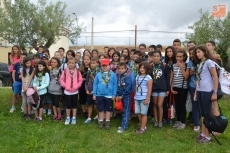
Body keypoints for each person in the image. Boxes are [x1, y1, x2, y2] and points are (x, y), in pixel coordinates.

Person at [193, 45, 218, 144]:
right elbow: (199, 79)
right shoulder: (200, 64)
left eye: (199, 52)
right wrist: (196, 91)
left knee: (207, 114)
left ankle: (208, 137)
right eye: (196, 52)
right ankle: (203, 134)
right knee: (202, 113)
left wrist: (215, 93)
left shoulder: (209, 62)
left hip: (207, 91)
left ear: (204, 52)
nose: (197, 54)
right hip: (200, 90)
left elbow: (215, 77)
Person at [93, 58, 117, 129]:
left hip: (109, 95)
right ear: (101, 66)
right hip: (99, 94)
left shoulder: (113, 75)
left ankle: (107, 122)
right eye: (103, 66)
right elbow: (95, 84)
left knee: (108, 109)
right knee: (100, 109)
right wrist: (94, 94)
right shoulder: (98, 74)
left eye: (106, 65)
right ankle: (100, 121)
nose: (105, 67)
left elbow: (115, 85)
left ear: (109, 65)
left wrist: (114, 94)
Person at [60, 57, 83, 125]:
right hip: (67, 91)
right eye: (69, 63)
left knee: (74, 105)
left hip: (75, 91)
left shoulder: (78, 72)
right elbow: (61, 80)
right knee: (68, 105)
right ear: (67, 63)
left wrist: (77, 86)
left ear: (75, 64)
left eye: (72, 63)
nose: (71, 64)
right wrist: (65, 86)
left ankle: (73, 117)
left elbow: (80, 80)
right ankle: (68, 117)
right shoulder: (65, 71)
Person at [171, 50, 189, 129]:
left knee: (182, 105)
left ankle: (183, 122)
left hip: (183, 88)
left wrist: (181, 67)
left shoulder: (186, 65)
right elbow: (172, 77)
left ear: (184, 57)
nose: (178, 58)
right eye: (177, 56)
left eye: (180, 57)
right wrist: (171, 87)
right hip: (175, 87)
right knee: (177, 105)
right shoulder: (173, 65)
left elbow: (186, 77)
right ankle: (178, 120)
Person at [151, 50, 170, 128]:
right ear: (152, 57)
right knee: (155, 104)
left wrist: (168, 89)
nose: (156, 57)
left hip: (162, 88)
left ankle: (160, 121)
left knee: (159, 105)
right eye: (154, 56)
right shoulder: (150, 66)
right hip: (154, 88)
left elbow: (167, 78)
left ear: (160, 57)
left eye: (157, 56)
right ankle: (156, 120)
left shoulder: (164, 66)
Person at [134, 61, 153, 134]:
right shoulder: (137, 76)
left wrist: (147, 98)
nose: (142, 69)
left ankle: (142, 128)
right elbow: (136, 86)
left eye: (143, 68)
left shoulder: (148, 78)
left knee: (143, 113)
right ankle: (143, 126)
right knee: (138, 112)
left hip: (144, 98)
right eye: (141, 68)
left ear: (147, 69)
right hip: (137, 97)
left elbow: (149, 89)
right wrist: (135, 96)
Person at [116, 63, 132, 133]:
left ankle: (124, 127)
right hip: (119, 96)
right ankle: (123, 124)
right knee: (122, 111)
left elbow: (128, 88)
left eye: (122, 68)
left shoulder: (127, 77)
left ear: (126, 69)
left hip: (126, 96)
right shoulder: (119, 76)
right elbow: (118, 86)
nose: (120, 70)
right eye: (119, 68)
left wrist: (122, 95)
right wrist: (117, 95)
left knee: (126, 111)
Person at [187, 47, 200, 132]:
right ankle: (196, 124)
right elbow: (187, 75)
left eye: (193, 53)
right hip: (192, 86)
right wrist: (190, 73)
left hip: (202, 87)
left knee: (202, 105)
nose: (191, 55)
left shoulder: (202, 62)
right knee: (195, 104)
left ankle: (204, 121)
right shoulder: (190, 63)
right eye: (190, 54)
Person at [163, 46, 176, 125]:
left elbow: (172, 75)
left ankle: (170, 118)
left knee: (172, 102)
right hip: (165, 83)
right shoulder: (165, 63)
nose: (169, 53)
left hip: (174, 83)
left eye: (170, 51)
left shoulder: (175, 62)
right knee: (165, 101)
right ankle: (164, 117)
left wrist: (171, 85)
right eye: (167, 52)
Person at [85, 57, 100, 123]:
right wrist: (86, 90)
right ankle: (89, 118)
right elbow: (86, 82)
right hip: (89, 92)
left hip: (96, 92)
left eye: (94, 63)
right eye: (91, 63)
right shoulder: (89, 72)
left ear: (97, 64)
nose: (92, 65)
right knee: (90, 105)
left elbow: (100, 83)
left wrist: (95, 91)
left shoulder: (99, 73)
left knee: (97, 105)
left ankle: (99, 117)